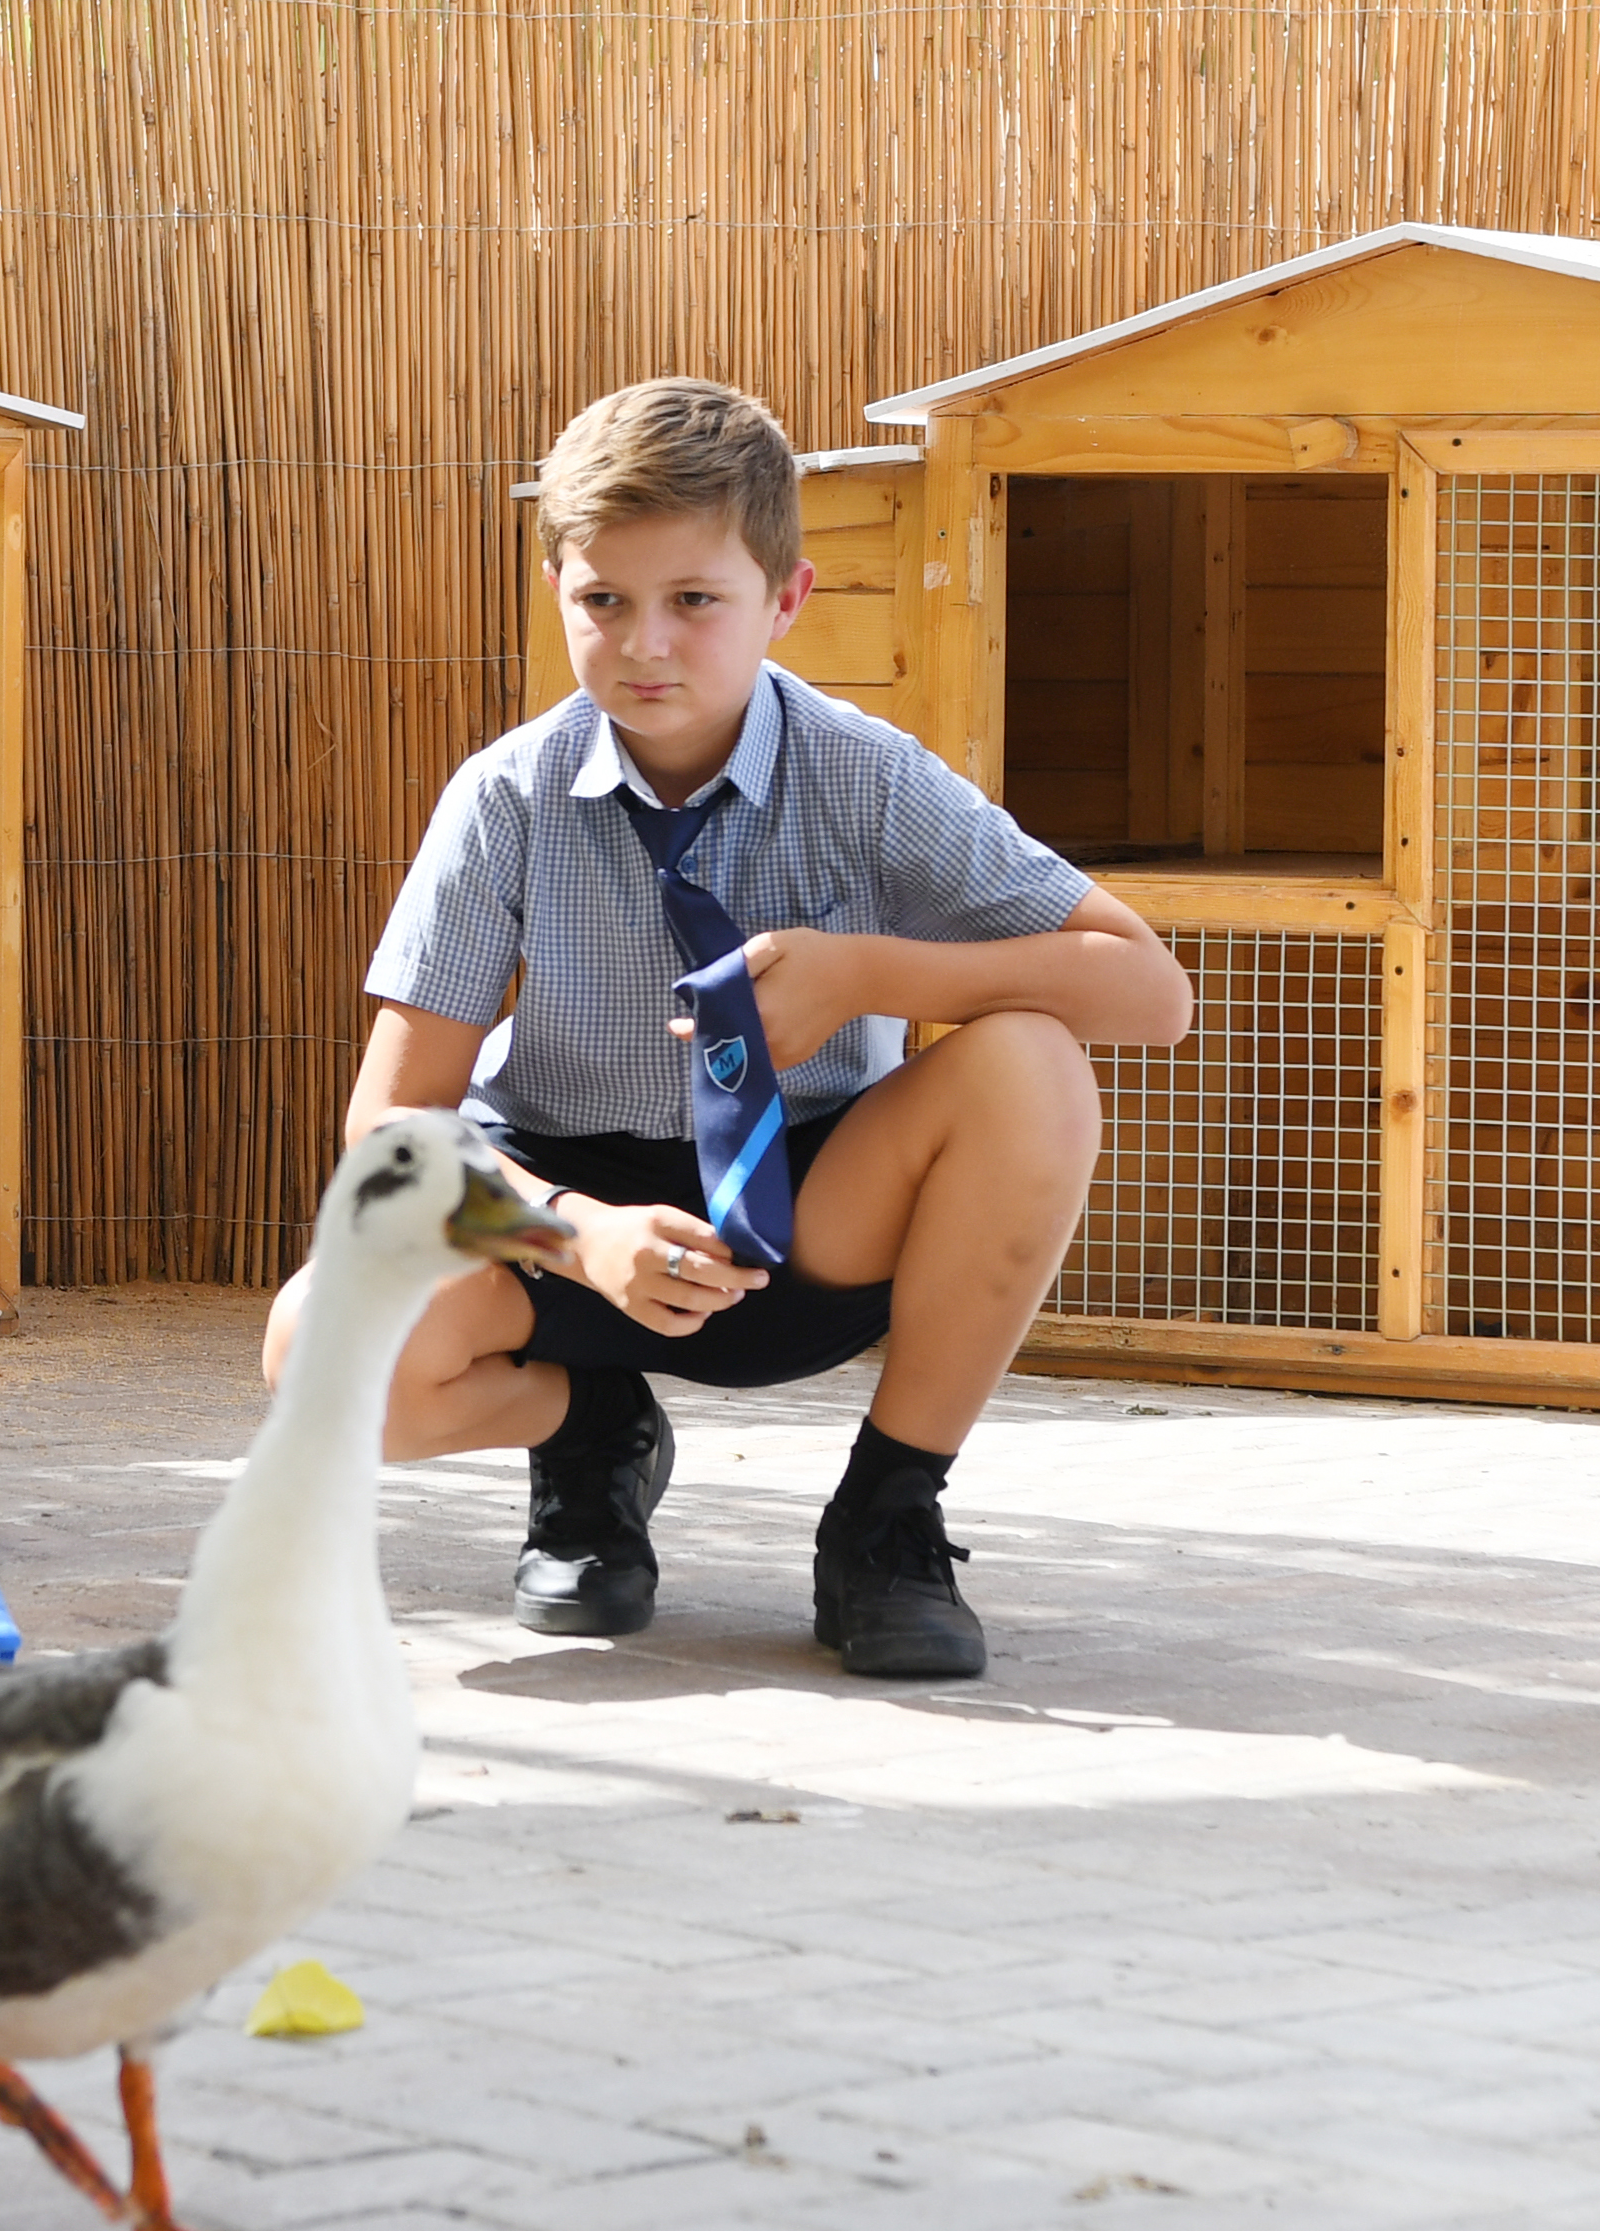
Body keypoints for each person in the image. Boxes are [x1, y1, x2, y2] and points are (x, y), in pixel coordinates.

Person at [266, 378, 1192, 1676]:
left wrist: (863, 972)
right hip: (558, 1210)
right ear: (558, 593)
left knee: (1027, 1057)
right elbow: (389, 1124)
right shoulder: (505, 797)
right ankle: (589, 1438)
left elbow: (1147, 992)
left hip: (810, 1210)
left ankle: (887, 1514)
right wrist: (575, 1234)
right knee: (313, 1350)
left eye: (693, 601)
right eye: (603, 602)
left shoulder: (864, 773)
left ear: (786, 599)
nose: (645, 644)